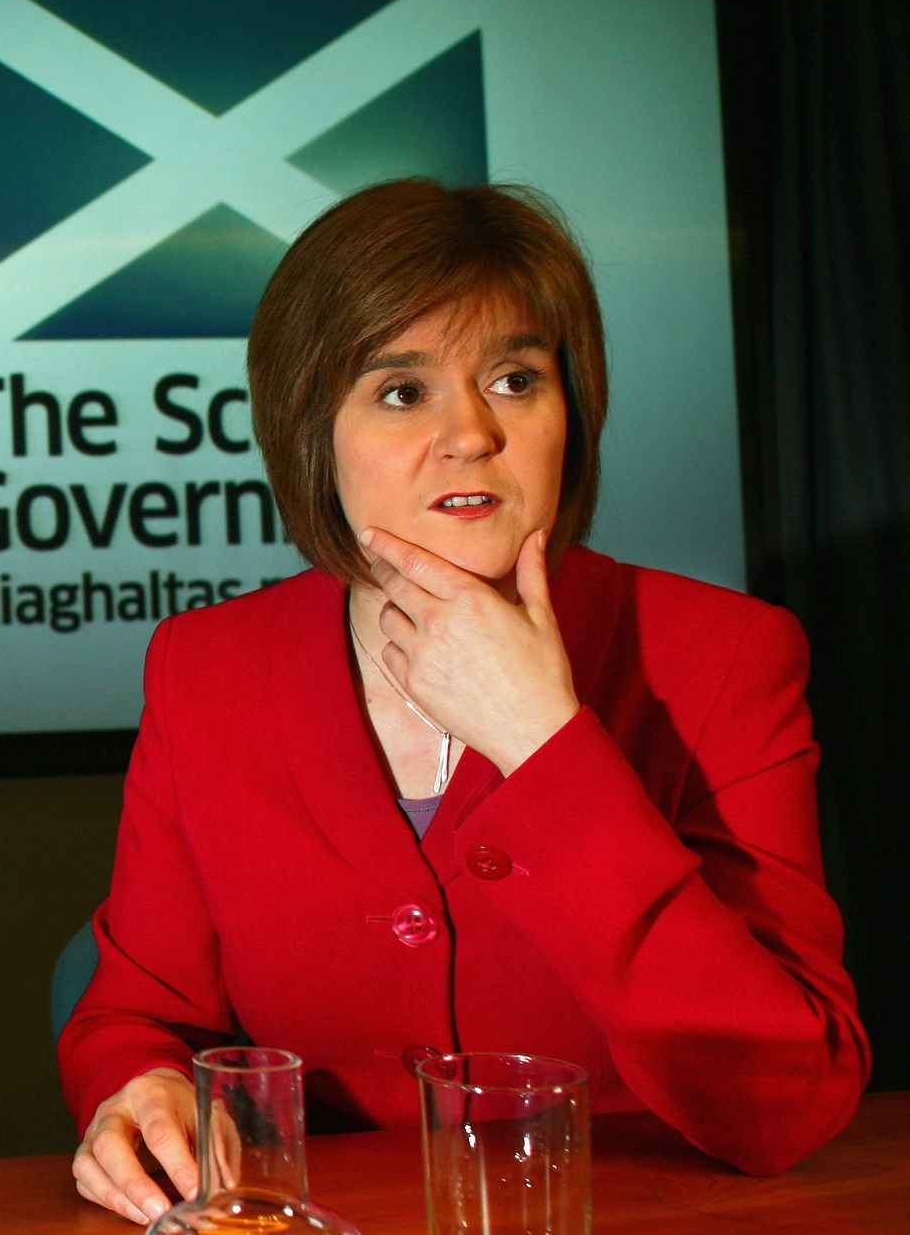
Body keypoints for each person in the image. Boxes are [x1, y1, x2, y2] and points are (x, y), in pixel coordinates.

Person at [59, 180, 870, 1224]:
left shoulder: (724, 657)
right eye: (402, 392)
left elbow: (784, 1105)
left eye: (516, 379)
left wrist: (546, 745)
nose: (472, 433)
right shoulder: (205, 667)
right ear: (313, 431)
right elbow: (134, 1015)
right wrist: (143, 1089)